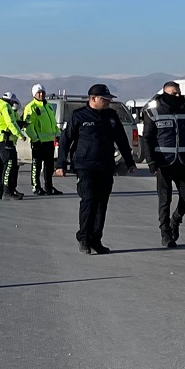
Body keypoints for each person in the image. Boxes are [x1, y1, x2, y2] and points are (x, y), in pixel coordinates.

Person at [58, 83, 135, 254]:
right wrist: (61, 164)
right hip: (85, 165)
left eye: (109, 99)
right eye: (104, 99)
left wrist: (130, 162)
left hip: (106, 165)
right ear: (93, 99)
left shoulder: (112, 116)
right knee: (89, 201)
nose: (108, 102)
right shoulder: (79, 116)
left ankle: (96, 239)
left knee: (102, 204)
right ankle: (84, 238)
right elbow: (65, 140)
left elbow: (122, 140)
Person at [139, 81, 185, 249]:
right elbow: (147, 138)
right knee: (164, 200)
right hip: (164, 163)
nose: (177, 96)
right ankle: (166, 233)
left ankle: (176, 219)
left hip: (183, 162)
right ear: (165, 94)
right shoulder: (153, 112)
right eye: (173, 93)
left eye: (178, 92)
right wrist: (151, 161)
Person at [0, 92, 25, 200]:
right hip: (5, 140)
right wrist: (20, 135)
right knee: (9, 165)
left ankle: (0, 191)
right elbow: (10, 122)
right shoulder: (5, 106)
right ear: (10, 101)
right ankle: (8, 192)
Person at [22, 84, 61, 195]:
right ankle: (36, 186)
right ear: (34, 94)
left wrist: (58, 134)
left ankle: (49, 187)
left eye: (43, 92)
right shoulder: (31, 107)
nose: (41, 94)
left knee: (49, 166)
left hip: (49, 141)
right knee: (37, 165)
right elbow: (28, 126)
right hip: (38, 142)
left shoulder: (47, 106)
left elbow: (53, 123)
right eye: (38, 92)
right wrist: (35, 138)